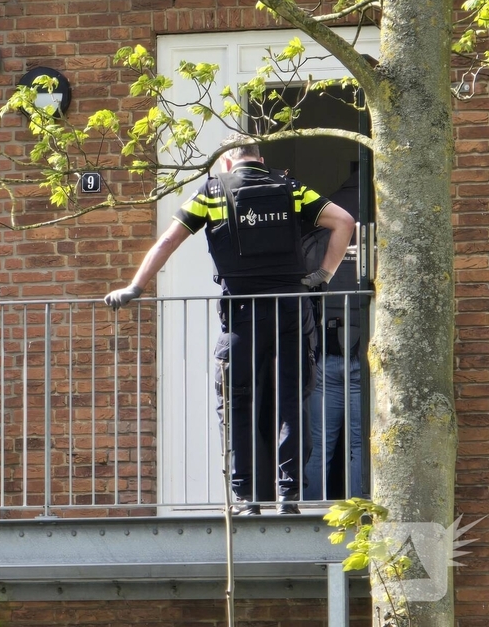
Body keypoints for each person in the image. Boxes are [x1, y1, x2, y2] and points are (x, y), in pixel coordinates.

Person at [104, 133, 354, 514]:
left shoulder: (212, 193)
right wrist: (323, 273)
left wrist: (135, 287)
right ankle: (289, 496)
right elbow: (344, 221)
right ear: (259, 158)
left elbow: (167, 242)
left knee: (239, 403)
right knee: (292, 403)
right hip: (291, 311)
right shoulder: (289, 187)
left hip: (241, 316)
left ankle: (248, 497)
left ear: (225, 163)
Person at [301, 171, 369, 501]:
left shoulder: (318, 235)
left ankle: (312, 511)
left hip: (324, 353)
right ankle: (361, 514)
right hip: (365, 354)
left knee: (318, 444)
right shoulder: (380, 235)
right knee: (360, 445)